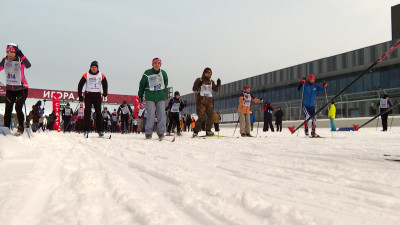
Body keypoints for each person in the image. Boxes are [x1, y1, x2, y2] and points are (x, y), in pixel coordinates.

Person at [0, 43, 31, 135]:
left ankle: (21, 127)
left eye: (11, 52)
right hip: (10, 89)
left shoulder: (20, 60)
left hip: (21, 88)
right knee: (8, 109)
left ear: (15, 52)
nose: (9, 54)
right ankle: (5, 129)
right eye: (7, 51)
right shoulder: (5, 60)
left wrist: (22, 56)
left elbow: (28, 65)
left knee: (18, 107)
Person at [138, 58, 168, 140]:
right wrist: (140, 95)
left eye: (158, 63)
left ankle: (161, 132)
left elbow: (165, 83)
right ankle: (148, 133)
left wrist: (162, 92)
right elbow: (142, 84)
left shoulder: (163, 73)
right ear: (152, 64)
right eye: (155, 63)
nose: (157, 64)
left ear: (160, 64)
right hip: (150, 97)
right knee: (150, 114)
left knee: (161, 114)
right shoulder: (147, 73)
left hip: (160, 97)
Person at [77, 61, 108, 137]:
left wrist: (105, 92)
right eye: (92, 67)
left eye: (95, 67)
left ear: (97, 68)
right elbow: (80, 85)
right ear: (90, 68)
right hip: (88, 95)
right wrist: (80, 95)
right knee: (87, 113)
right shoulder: (86, 75)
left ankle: (100, 131)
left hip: (97, 95)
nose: (94, 69)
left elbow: (105, 84)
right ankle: (86, 130)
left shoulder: (101, 75)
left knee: (98, 114)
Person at [192, 67, 221, 137]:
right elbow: (194, 88)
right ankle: (196, 131)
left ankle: (208, 130)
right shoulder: (199, 79)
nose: (208, 74)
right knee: (202, 117)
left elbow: (216, 90)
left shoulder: (211, 82)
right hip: (200, 102)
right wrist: (199, 84)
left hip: (208, 102)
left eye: (209, 73)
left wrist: (218, 84)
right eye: (207, 73)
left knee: (211, 115)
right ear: (204, 73)